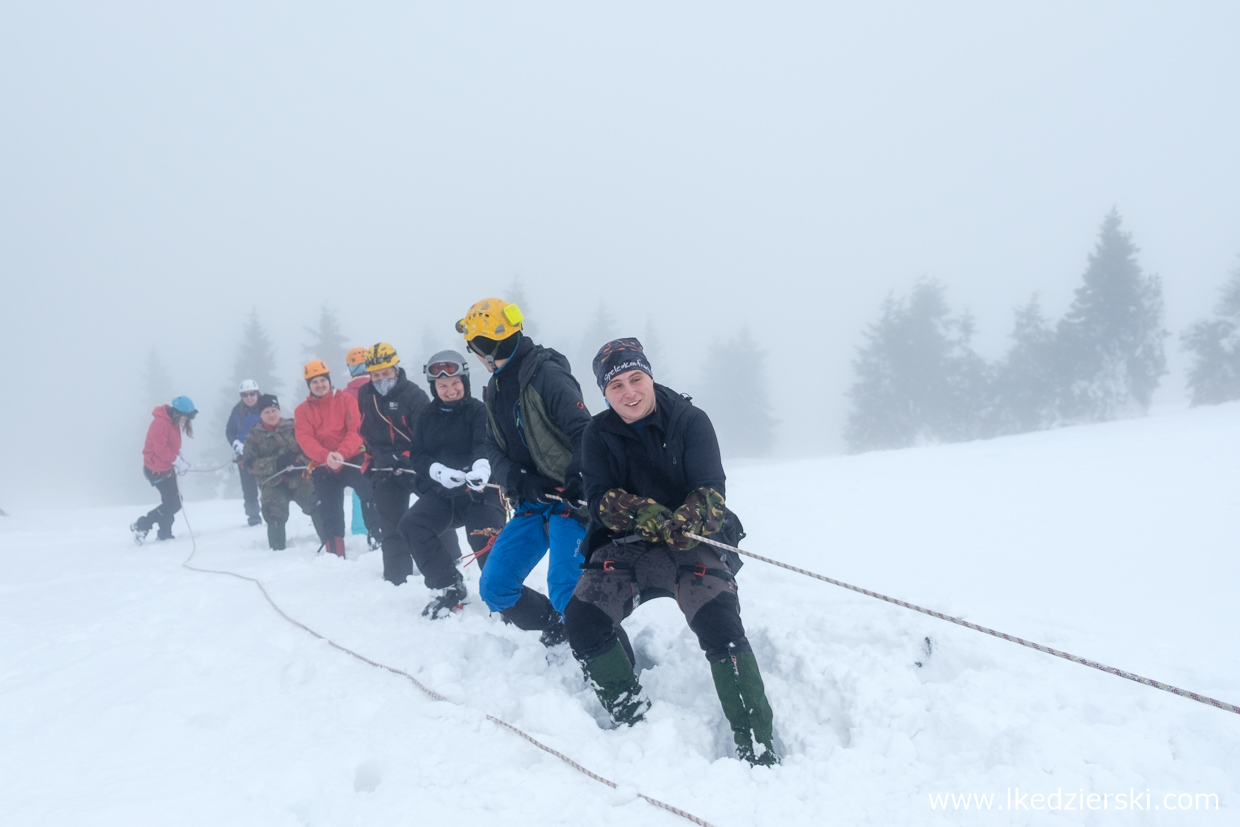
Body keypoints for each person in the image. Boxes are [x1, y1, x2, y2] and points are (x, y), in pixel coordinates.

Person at [563, 338, 779, 766]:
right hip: (625, 546)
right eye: (616, 386)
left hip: (692, 544)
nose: (630, 393)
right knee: (583, 619)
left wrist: (687, 520)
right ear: (604, 394)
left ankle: (755, 740)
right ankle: (629, 712)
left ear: (650, 376)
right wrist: (644, 514)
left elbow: (711, 490)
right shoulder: (596, 434)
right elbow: (598, 497)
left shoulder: (690, 420)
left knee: (720, 622)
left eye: (636, 379)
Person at [457, 297, 592, 646]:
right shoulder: (496, 386)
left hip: (570, 502)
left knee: (566, 588)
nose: (473, 354)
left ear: (485, 348)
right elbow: (493, 447)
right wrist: (517, 479)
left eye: (472, 346)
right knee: (495, 588)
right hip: (531, 502)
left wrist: (578, 477)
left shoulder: (546, 375)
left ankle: (607, 660)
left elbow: (584, 432)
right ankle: (559, 630)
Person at [398, 350, 507, 617]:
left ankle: (505, 594)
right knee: (412, 525)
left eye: (455, 383)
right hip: (444, 493)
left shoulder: (479, 410)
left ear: (465, 381)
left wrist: (483, 466)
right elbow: (419, 454)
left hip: (480, 493)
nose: (450, 390)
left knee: (483, 537)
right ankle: (448, 585)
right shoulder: (426, 415)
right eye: (442, 385)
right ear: (434, 387)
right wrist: (437, 472)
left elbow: (485, 443)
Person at [294, 359, 371, 558]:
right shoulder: (302, 411)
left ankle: (377, 535)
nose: (319, 385)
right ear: (309, 385)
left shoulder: (346, 400)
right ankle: (335, 551)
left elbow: (355, 430)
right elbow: (305, 439)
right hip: (322, 465)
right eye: (314, 382)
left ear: (329, 380)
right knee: (329, 509)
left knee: (369, 493)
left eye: (322, 380)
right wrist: (326, 456)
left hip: (351, 458)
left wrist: (341, 453)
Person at [242, 393, 326, 551]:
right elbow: (249, 464)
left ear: (279, 411)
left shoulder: (294, 427)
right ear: (260, 415)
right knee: (274, 512)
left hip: (300, 478)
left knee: (316, 502)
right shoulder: (253, 437)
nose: (271, 415)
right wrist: (276, 464)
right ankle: (277, 550)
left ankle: (329, 542)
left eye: (273, 410)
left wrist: (300, 461)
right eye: (266, 412)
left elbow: (310, 448)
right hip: (273, 483)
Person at [130, 396, 197, 544]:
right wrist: (177, 461)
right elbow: (161, 449)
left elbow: (172, 446)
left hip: (167, 468)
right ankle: (142, 525)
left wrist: (179, 458)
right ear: (178, 413)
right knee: (174, 503)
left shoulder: (173, 423)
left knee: (171, 501)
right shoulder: (160, 423)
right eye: (185, 417)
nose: (185, 421)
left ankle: (165, 532)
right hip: (155, 469)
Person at [342, 346, 373, 542]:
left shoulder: (345, 394)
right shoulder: (379, 386)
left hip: (357, 447)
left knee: (360, 489)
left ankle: (360, 528)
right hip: (380, 444)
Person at [225, 379, 264, 526]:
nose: (249, 397)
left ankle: (272, 513)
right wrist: (237, 445)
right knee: (249, 488)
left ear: (257, 393)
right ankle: (253, 517)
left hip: (264, 453)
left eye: (252, 394)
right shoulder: (236, 411)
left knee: (268, 485)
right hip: (244, 456)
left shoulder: (265, 406)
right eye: (245, 395)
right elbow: (230, 432)